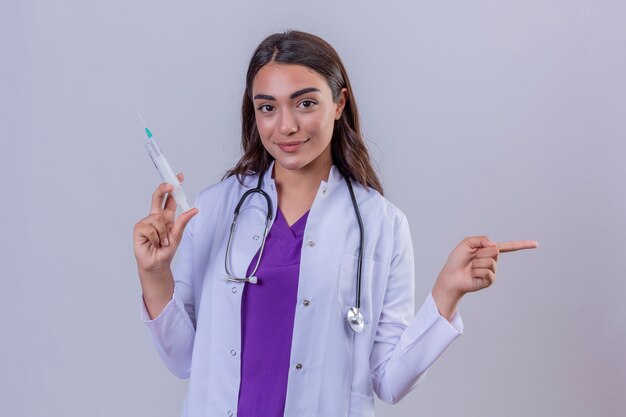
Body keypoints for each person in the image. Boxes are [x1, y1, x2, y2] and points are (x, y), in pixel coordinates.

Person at [132, 30, 538, 417]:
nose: (286, 126)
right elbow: (183, 358)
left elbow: (390, 381)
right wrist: (154, 273)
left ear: (339, 103)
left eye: (305, 103)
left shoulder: (382, 224)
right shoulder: (217, 208)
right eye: (267, 107)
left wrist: (446, 293)